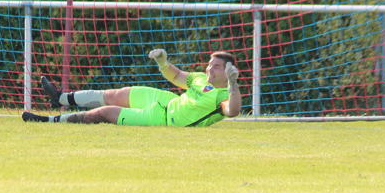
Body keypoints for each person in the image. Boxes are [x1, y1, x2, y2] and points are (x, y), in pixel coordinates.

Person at [22, 49, 242, 127]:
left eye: (216, 66)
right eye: (210, 64)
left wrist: (233, 86)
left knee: (106, 113)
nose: (209, 69)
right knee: (115, 94)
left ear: (228, 71)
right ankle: (60, 98)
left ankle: (47, 121)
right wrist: (163, 62)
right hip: (165, 100)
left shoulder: (223, 96)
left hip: (163, 118)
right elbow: (176, 76)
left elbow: (232, 111)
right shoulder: (200, 78)